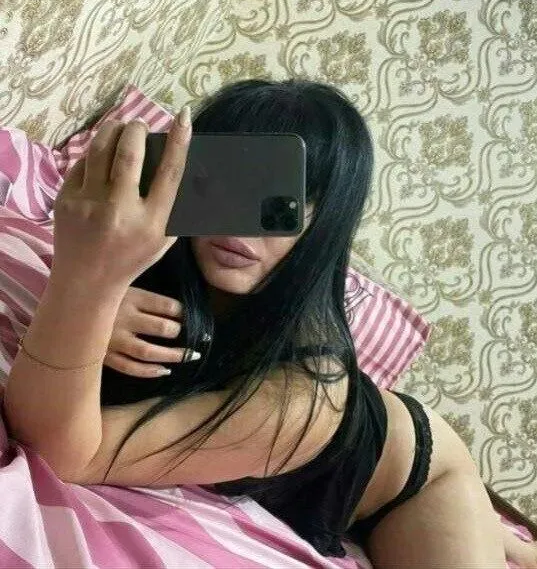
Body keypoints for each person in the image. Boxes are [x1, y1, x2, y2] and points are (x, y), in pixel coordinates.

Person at [1, 79, 534, 567]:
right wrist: (100, 297)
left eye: (278, 203)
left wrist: (86, 289)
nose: (241, 224)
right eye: (226, 184)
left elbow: (68, 456)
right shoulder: (158, 254)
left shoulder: (300, 400)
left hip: (406, 481)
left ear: (324, 225)